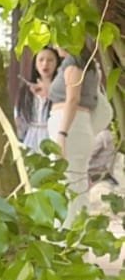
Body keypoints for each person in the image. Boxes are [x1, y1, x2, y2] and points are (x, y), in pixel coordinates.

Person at [46, 42, 101, 221]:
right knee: (77, 183)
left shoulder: (73, 62)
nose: (54, 45)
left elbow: (72, 99)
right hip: (78, 126)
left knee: (67, 183)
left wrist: (62, 134)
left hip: (70, 128)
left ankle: (69, 231)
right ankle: (79, 232)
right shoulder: (89, 64)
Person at [15, 46, 61, 152]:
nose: (45, 64)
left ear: (57, 64)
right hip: (31, 137)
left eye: (50, 60)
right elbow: (20, 117)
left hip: (53, 135)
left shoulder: (61, 89)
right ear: (35, 64)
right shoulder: (26, 90)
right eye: (41, 60)